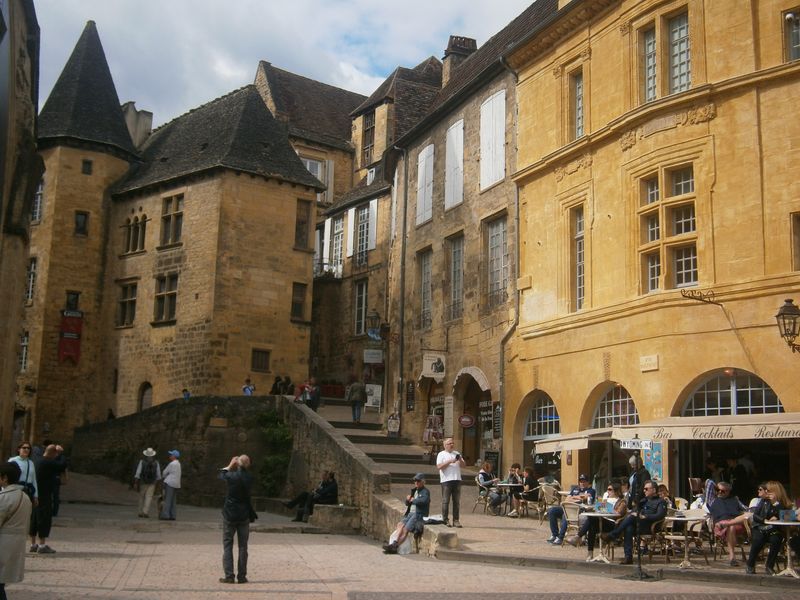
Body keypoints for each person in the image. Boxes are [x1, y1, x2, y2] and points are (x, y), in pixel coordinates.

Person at [602, 479, 666, 565]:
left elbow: (660, 515)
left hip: (650, 526)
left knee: (631, 518)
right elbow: (633, 511)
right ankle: (628, 557)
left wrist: (645, 516)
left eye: (646, 489)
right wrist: (634, 515)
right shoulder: (643, 501)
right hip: (639, 524)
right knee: (629, 527)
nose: (644, 491)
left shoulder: (661, 502)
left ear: (654, 490)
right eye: (644, 489)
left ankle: (614, 534)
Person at [567, 481, 627, 559]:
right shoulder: (606, 500)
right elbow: (598, 509)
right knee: (591, 525)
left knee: (592, 520)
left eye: (610, 489)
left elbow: (619, 513)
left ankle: (578, 537)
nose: (607, 491)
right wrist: (594, 508)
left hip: (613, 524)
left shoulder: (622, 501)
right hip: (602, 520)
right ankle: (590, 552)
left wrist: (609, 509)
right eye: (607, 489)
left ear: (616, 491)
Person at [219, 455, 254, 584]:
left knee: (228, 544)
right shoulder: (250, 477)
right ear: (248, 465)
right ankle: (242, 576)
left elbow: (221, 474)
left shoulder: (231, 476)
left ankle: (229, 575)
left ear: (237, 464)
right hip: (244, 514)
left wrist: (230, 464)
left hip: (230, 514)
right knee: (243, 546)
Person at [0, 462, 33, 600]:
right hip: (16, 543)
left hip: (3, 542)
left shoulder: (3, 497)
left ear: (5, 478)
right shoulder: (25, 497)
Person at [746, 480, 791, 575]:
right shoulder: (763, 502)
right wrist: (764, 520)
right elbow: (755, 515)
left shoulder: (783, 503)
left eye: (768, 490)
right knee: (758, 540)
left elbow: (787, 517)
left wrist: (776, 504)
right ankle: (750, 564)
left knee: (776, 540)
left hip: (774, 529)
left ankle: (769, 566)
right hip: (760, 527)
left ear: (775, 491)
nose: (766, 492)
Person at [29, 444, 66, 553]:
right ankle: (42, 545)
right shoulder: (48, 462)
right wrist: (61, 453)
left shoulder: (38, 460)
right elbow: (62, 465)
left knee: (34, 518)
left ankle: (33, 544)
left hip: (35, 494)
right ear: (53, 453)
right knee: (44, 518)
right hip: (44, 495)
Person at [383, 473, 430, 554]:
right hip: (410, 513)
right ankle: (394, 543)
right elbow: (407, 503)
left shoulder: (425, 492)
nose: (416, 482)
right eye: (415, 481)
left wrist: (413, 500)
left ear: (423, 482)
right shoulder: (415, 490)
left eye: (418, 481)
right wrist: (408, 500)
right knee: (400, 524)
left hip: (418, 514)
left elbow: (424, 501)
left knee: (405, 530)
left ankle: (395, 546)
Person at [546, 473, 596, 545]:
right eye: (581, 481)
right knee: (552, 511)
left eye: (584, 481)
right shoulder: (575, 489)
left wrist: (573, 497)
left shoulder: (591, 490)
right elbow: (567, 499)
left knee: (566, 514)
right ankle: (555, 535)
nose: (582, 483)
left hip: (579, 511)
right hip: (567, 508)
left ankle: (560, 538)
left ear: (588, 482)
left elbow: (585, 498)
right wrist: (578, 498)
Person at [708, 481, 746, 566]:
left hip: (736, 522)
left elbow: (745, 509)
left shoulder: (735, 499)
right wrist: (717, 486)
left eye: (723, 491)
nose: (719, 492)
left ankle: (732, 557)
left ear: (728, 492)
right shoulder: (712, 500)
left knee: (745, 516)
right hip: (721, 525)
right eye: (718, 490)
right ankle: (732, 557)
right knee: (731, 527)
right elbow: (709, 482)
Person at [436, 438, 465, 528]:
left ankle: (456, 520)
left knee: (456, 502)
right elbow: (439, 466)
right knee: (445, 501)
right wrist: (449, 461)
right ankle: (445, 520)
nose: (452, 445)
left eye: (452, 443)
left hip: (457, 480)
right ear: (445, 445)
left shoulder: (457, 453)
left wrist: (460, 460)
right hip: (446, 481)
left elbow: (464, 465)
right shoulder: (441, 454)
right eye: (449, 443)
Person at [134, 448, 162, 518]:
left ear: (146, 454)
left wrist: (136, 482)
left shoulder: (142, 462)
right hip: (152, 483)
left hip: (143, 482)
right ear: (153, 455)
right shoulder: (156, 463)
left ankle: (140, 512)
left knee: (141, 497)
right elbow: (158, 475)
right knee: (149, 497)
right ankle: (145, 512)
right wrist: (158, 483)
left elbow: (138, 473)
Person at [159, 450, 182, 520]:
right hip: (176, 484)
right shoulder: (178, 464)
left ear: (174, 456)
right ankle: (173, 515)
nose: (170, 456)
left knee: (167, 499)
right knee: (173, 500)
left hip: (170, 483)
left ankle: (165, 515)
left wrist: (164, 477)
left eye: (171, 455)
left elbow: (164, 472)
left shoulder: (171, 464)